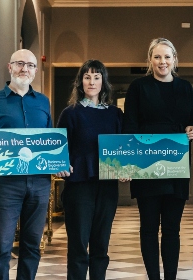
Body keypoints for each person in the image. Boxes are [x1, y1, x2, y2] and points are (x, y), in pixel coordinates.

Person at [122, 38, 193, 280]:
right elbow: (129, 127)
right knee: (148, 229)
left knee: (172, 230)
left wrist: (192, 129)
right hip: (146, 168)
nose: (162, 62)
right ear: (150, 60)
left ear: (175, 59)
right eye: (157, 57)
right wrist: (128, 164)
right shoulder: (138, 87)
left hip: (176, 167)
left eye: (167, 57)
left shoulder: (185, 87)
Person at [0, 49, 52, 280]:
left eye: (29, 65)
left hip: (40, 182)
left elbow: (50, 141)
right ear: (10, 67)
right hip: (7, 184)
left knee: (32, 246)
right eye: (19, 64)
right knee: (1, 245)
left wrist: (60, 162)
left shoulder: (43, 102)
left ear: (35, 71)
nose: (24, 69)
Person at [55, 60, 125, 280]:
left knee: (101, 246)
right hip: (78, 186)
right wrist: (60, 165)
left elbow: (123, 148)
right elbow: (59, 149)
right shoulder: (70, 113)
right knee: (78, 246)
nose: (92, 81)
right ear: (80, 82)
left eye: (96, 77)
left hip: (107, 186)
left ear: (103, 82)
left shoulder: (115, 114)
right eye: (87, 77)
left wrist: (125, 169)